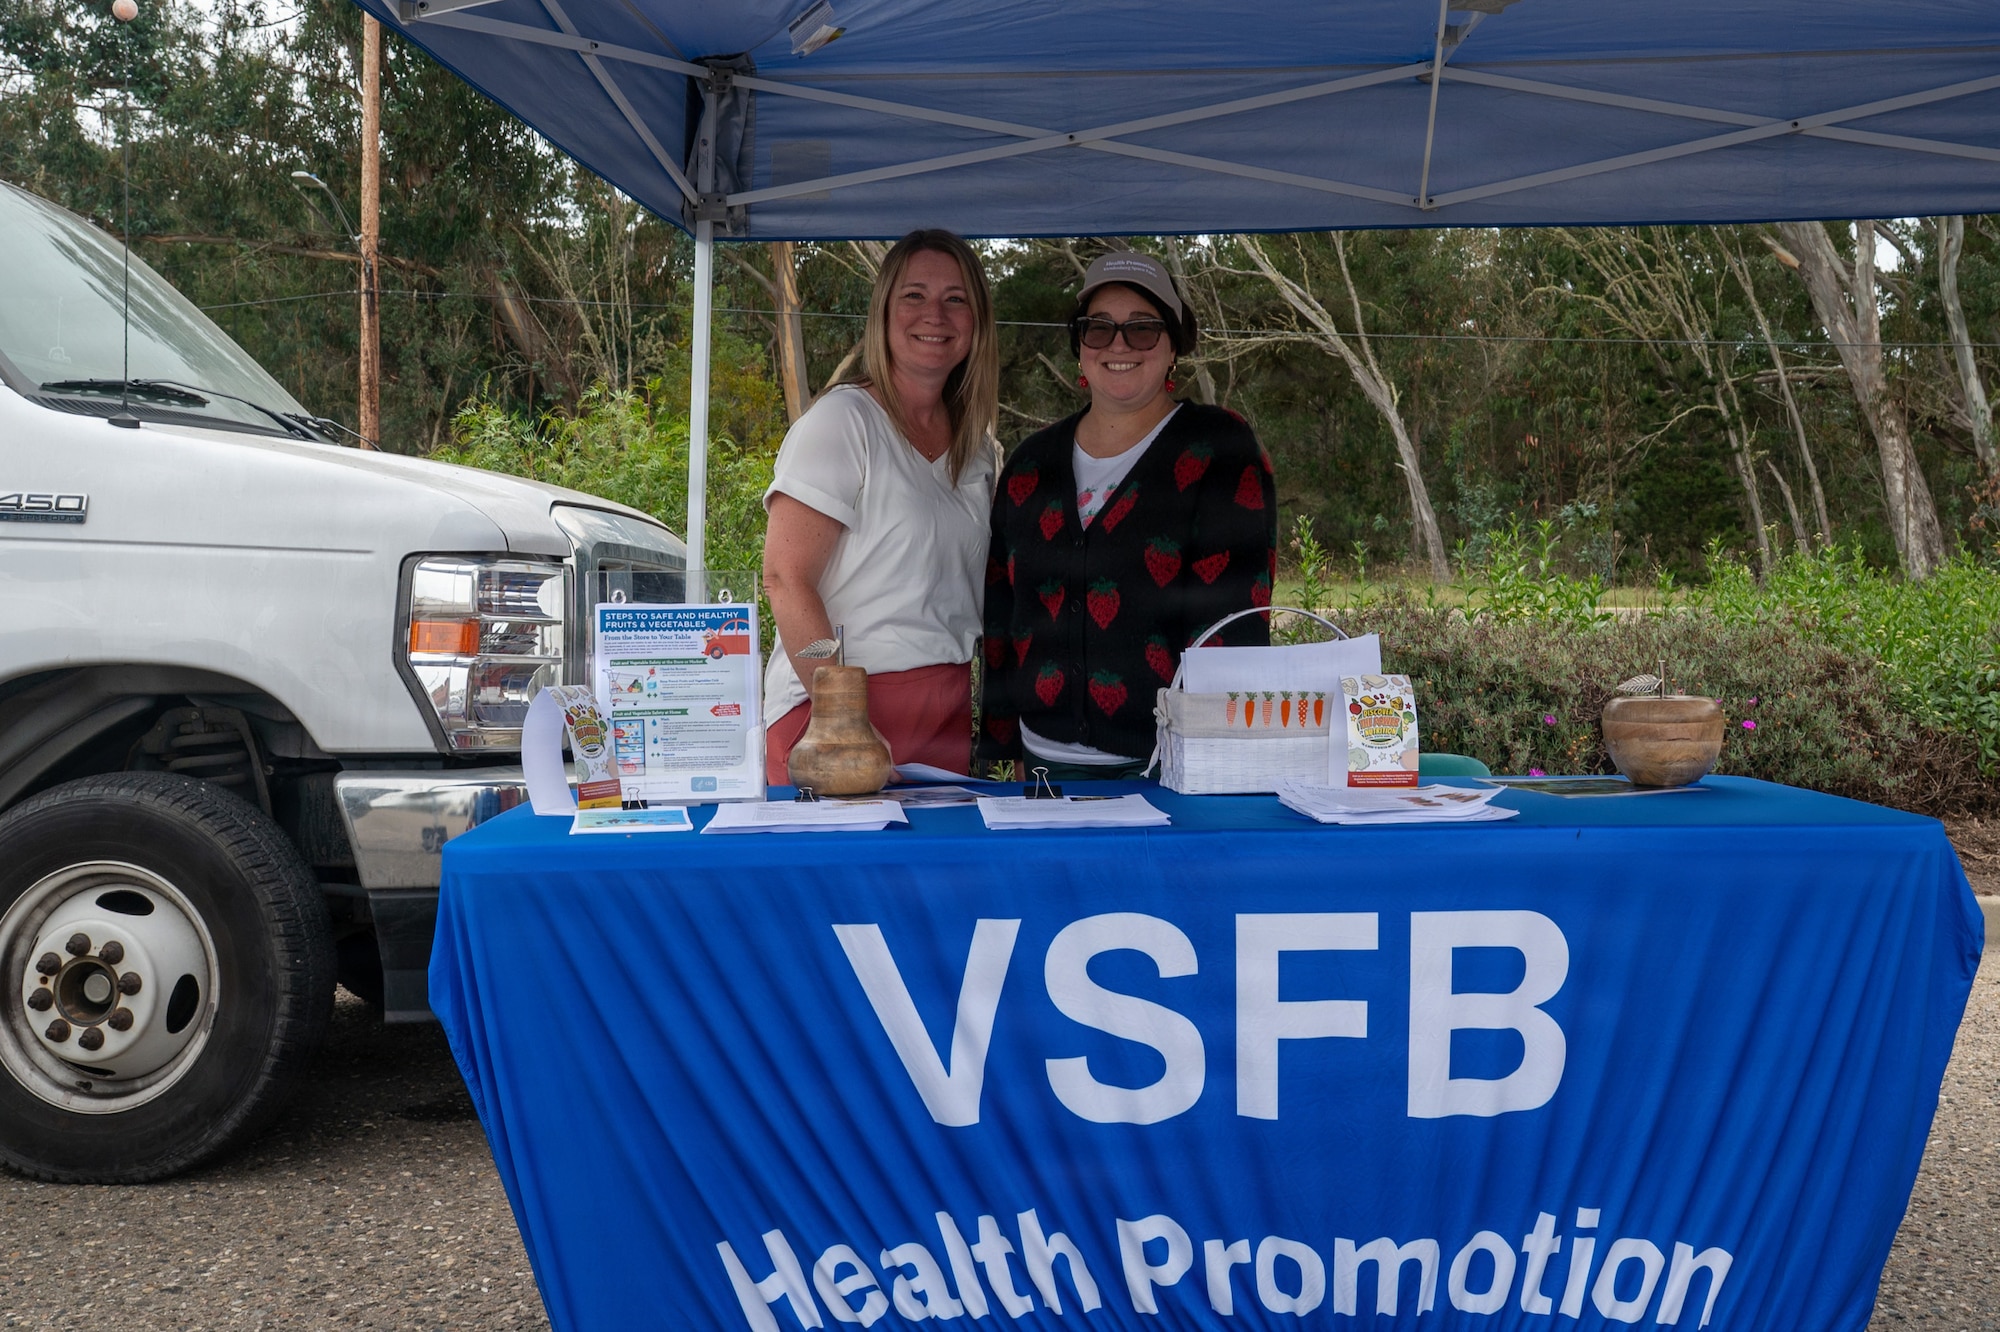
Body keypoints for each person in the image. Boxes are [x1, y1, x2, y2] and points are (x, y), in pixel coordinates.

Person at [977, 251, 1277, 781]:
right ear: (1080, 348)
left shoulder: (1220, 450)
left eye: (1142, 329)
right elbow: (1003, 609)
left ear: (1173, 348)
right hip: (1043, 769)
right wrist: (1003, 748)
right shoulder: (1030, 464)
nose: (1119, 345)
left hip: (1168, 770)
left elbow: (1235, 621)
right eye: (1099, 329)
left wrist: (1217, 764)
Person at [761, 229, 999, 784]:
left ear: (976, 320)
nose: (934, 315)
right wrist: (840, 711)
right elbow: (785, 578)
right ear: (884, 312)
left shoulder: (978, 446)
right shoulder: (844, 423)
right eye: (914, 295)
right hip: (834, 714)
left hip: (944, 711)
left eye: (955, 299)